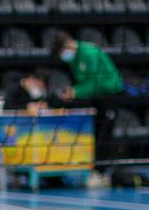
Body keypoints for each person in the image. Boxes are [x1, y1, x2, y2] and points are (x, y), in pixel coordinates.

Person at [50, 32, 123, 171]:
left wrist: (76, 92)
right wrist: (72, 91)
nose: (63, 56)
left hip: (108, 94)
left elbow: (96, 82)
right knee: (94, 132)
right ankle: (93, 167)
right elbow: (82, 81)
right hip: (93, 96)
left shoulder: (89, 52)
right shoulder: (73, 58)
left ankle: (102, 170)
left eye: (62, 52)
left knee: (104, 134)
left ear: (68, 44)